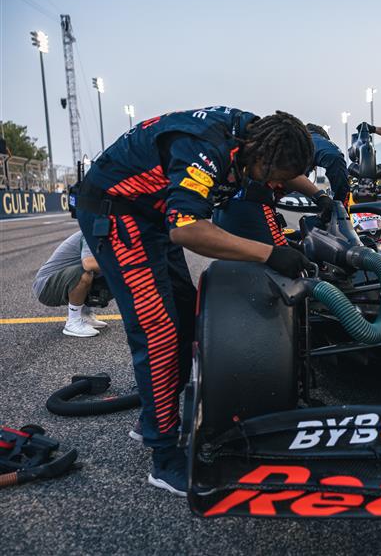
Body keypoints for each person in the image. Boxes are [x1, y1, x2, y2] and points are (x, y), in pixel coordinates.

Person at [74, 107, 320, 496]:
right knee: (159, 332)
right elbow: (187, 230)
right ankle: (164, 457)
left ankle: (153, 419)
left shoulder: (258, 131)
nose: (278, 188)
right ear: (260, 158)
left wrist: (321, 197)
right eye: (275, 180)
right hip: (116, 214)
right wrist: (269, 253)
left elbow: (284, 170)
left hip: (149, 216)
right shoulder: (204, 149)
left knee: (188, 319)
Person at [212, 123, 344, 245]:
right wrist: (338, 201)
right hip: (250, 205)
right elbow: (334, 156)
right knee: (287, 259)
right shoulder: (310, 139)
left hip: (225, 211)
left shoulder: (280, 144)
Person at [32, 231, 110, 337]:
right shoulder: (93, 230)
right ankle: (73, 322)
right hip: (46, 287)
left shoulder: (110, 233)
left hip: (60, 280)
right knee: (84, 272)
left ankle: (85, 315)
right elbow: (89, 264)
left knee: (112, 276)